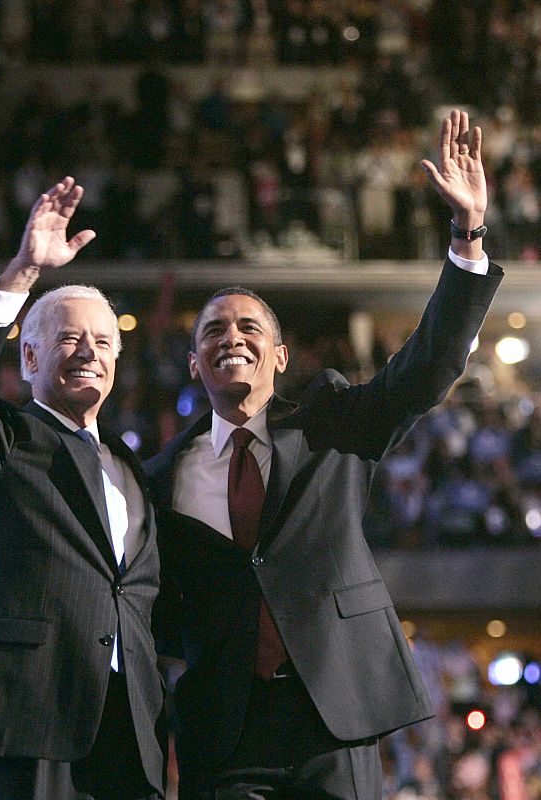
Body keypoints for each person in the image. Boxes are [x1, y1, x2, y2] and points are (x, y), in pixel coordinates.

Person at [145, 109, 503, 800]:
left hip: (332, 717)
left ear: (279, 356)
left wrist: (466, 236)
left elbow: (426, 367)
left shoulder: (332, 423)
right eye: (213, 329)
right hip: (224, 731)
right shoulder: (162, 477)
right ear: (194, 363)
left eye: (249, 325)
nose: (232, 337)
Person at [0, 177, 165, 800]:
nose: (89, 351)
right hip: (28, 719)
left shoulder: (131, 468)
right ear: (28, 359)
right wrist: (24, 271)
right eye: (68, 338)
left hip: (129, 726)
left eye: (104, 341)